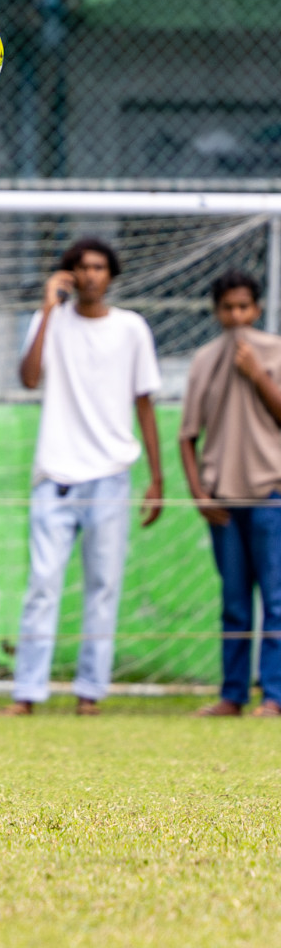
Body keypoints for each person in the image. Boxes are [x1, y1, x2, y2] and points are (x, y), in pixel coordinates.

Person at [3, 237, 163, 717]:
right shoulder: (48, 323)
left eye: (99, 267)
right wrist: (48, 308)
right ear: (69, 275)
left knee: (103, 588)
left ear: (110, 274)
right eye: (81, 268)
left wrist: (157, 478)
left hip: (112, 476)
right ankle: (27, 694)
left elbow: (145, 402)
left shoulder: (132, 328)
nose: (91, 275)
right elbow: (29, 377)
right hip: (56, 476)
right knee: (42, 584)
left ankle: (90, 692)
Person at [179, 270, 281, 718]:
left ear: (256, 309)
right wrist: (199, 493)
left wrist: (258, 376)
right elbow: (187, 436)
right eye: (227, 307)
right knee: (235, 604)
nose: (236, 315)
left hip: (269, 497)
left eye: (244, 306)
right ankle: (232, 694)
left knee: (276, 602)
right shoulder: (203, 360)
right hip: (223, 503)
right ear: (216, 311)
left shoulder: (275, 352)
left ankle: (274, 695)